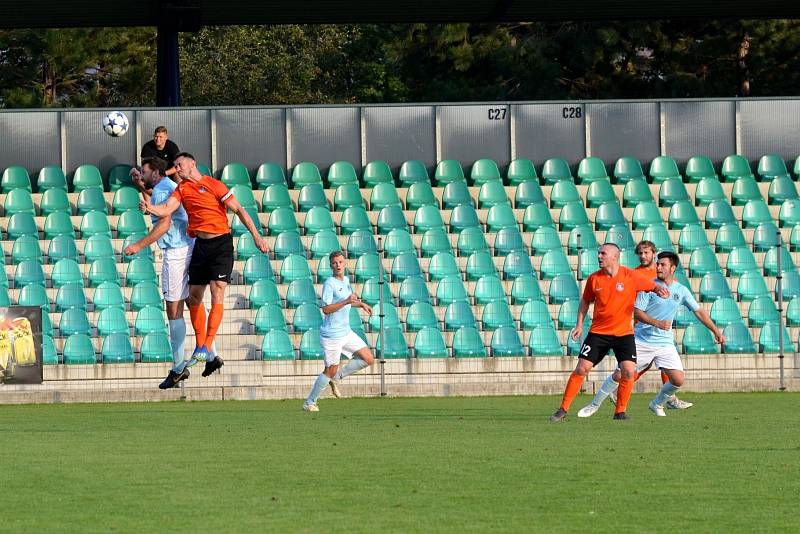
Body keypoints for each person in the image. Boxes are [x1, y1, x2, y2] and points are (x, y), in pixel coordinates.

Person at [140, 152, 268, 376]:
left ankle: (205, 346)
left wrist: (257, 236)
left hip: (220, 244)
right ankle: (204, 347)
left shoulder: (214, 185)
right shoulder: (182, 189)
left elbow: (240, 210)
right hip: (200, 245)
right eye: (175, 167)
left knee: (217, 292)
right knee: (193, 297)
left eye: (179, 165)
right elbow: (166, 210)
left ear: (192, 164)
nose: (177, 169)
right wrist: (150, 208)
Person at [577, 251, 726, 417]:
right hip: (642, 341)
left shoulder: (681, 290)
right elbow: (637, 313)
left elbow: (699, 312)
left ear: (672, 268)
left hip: (665, 344)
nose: (658, 267)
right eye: (658, 264)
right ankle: (594, 404)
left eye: (663, 264)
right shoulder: (648, 287)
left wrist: (716, 331)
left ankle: (657, 404)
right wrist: (658, 323)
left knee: (678, 380)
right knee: (620, 375)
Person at [550, 243, 670, 422]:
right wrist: (579, 325)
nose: (599, 256)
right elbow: (585, 302)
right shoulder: (594, 279)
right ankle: (563, 409)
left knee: (629, 371)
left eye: (603, 253)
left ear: (615, 256)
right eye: (599, 253)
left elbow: (653, 286)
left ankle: (620, 411)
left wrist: (660, 290)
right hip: (599, 333)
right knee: (582, 368)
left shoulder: (631, 275)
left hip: (624, 334)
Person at [123, 157, 212, 389]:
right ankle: (211, 354)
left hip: (176, 251)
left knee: (173, 309)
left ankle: (178, 368)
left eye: (145, 172)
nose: (142, 175)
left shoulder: (164, 191)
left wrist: (138, 246)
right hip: (188, 246)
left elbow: (163, 224)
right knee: (194, 300)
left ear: (157, 172)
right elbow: (154, 197)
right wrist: (139, 185)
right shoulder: (166, 187)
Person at [303, 251, 375, 412]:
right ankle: (309, 402)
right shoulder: (329, 283)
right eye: (335, 263)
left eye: (341, 262)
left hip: (345, 332)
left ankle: (337, 378)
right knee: (330, 370)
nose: (338, 265)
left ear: (345, 263)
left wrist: (361, 304)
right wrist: (347, 301)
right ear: (331, 265)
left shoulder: (346, 281)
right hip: (332, 335)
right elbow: (326, 309)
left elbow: (347, 302)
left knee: (368, 358)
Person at [630, 239, 691, 409]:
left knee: (661, 360)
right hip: (638, 320)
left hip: (657, 324)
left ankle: (669, 398)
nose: (643, 256)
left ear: (654, 254)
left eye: (646, 252)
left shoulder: (662, 274)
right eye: (640, 253)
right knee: (647, 361)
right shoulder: (635, 274)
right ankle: (668, 399)